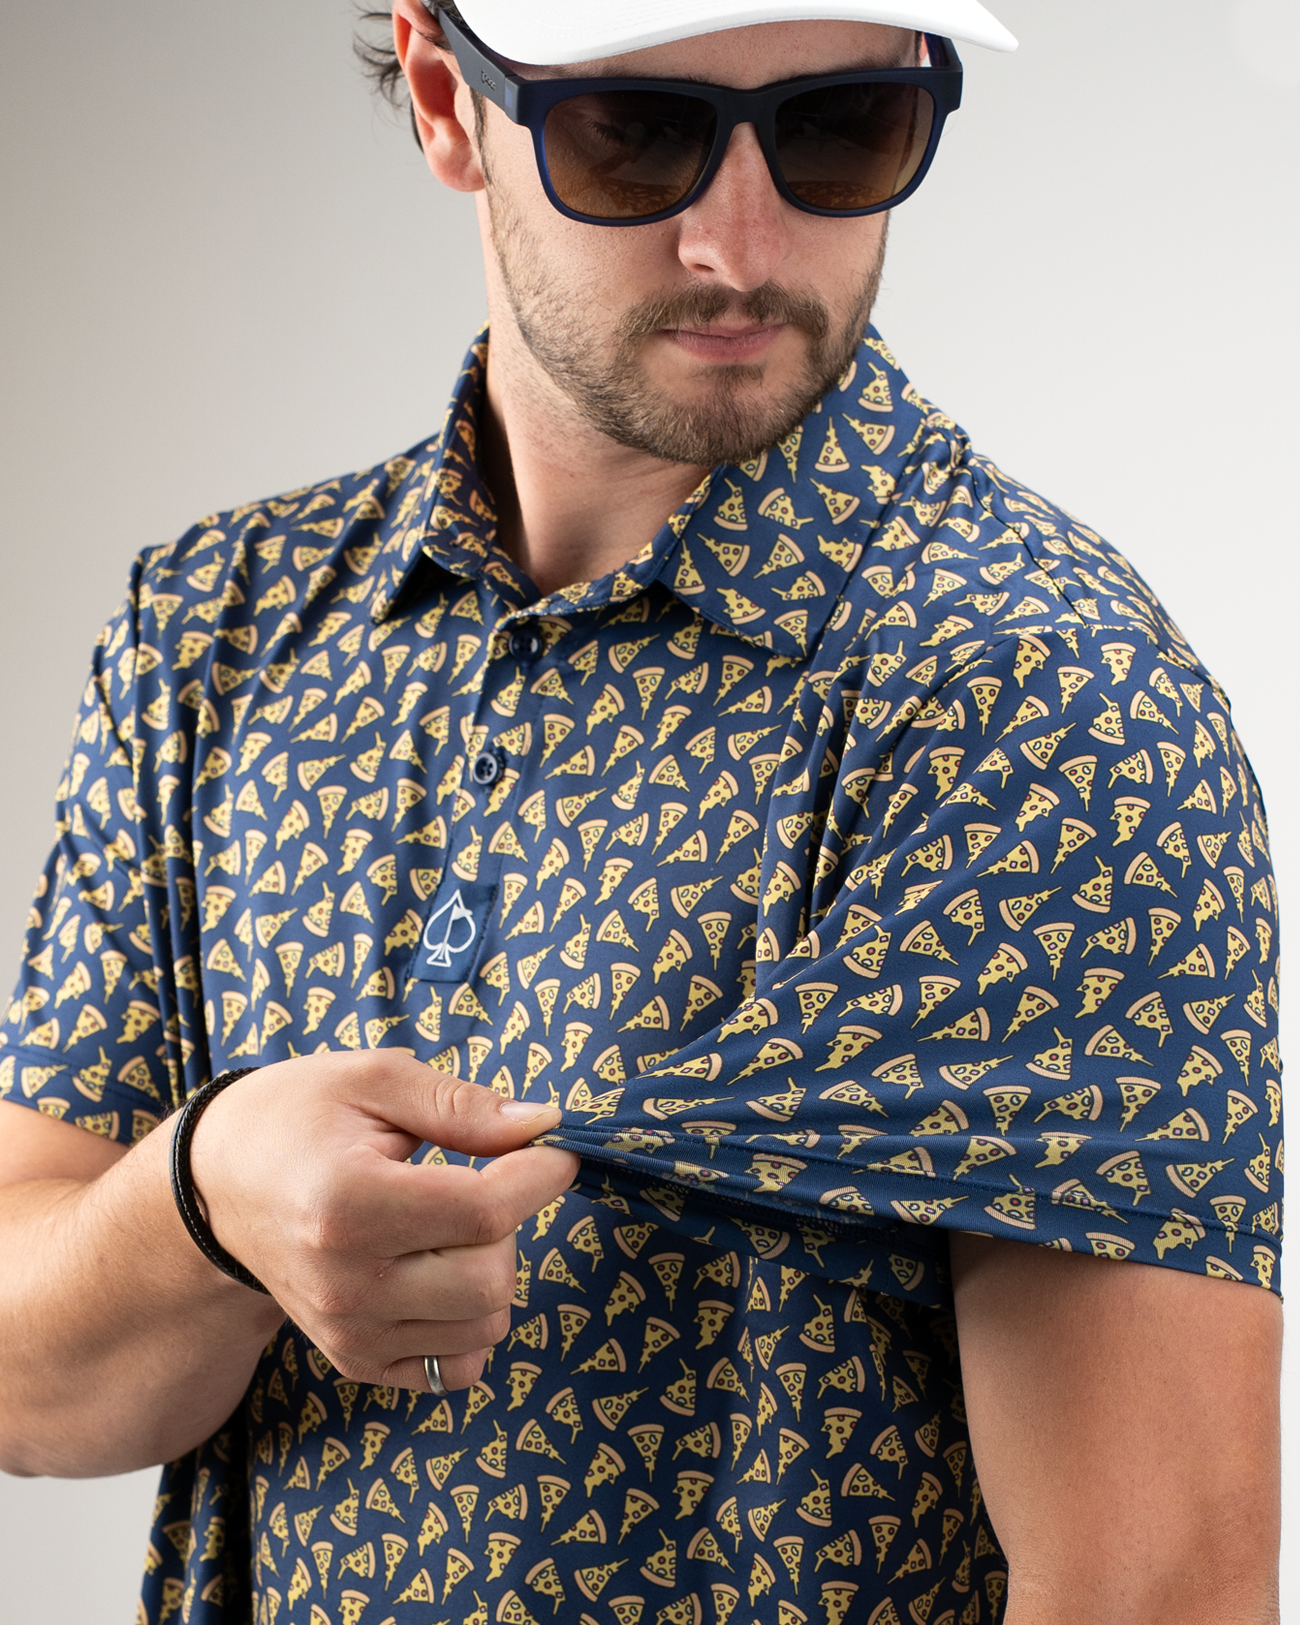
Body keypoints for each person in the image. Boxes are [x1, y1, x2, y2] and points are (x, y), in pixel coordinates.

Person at [0, 2, 1282, 1621]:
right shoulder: (222, 630)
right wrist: (206, 1200)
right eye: (637, 133)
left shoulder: (1033, 702)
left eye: (840, 128)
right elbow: (29, 1390)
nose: (739, 242)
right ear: (447, 99)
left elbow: (1159, 1589)